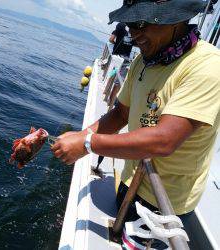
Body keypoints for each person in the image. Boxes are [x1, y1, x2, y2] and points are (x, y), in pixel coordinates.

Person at [51, 0, 220, 248]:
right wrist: (80, 136)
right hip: (130, 182)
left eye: (141, 23)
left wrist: (87, 144)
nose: (133, 33)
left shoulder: (208, 66)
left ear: (176, 19)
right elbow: (120, 115)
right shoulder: (144, 61)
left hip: (163, 205)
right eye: (129, 23)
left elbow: (164, 141)